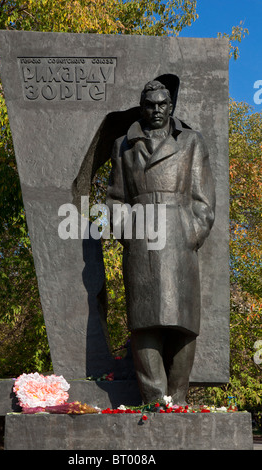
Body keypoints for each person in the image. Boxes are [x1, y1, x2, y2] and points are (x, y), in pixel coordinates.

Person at [106, 79, 216, 404]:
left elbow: (204, 201)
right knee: (144, 322)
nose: (156, 110)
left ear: (171, 107)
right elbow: (115, 198)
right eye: (150, 104)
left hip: (179, 240)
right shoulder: (123, 146)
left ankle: (178, 401)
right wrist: (128, 232)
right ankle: (154, 402)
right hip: (141, 242)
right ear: (142, 107)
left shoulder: (191, 141)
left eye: (161, 104)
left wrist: (189, 232)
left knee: (182, 323)